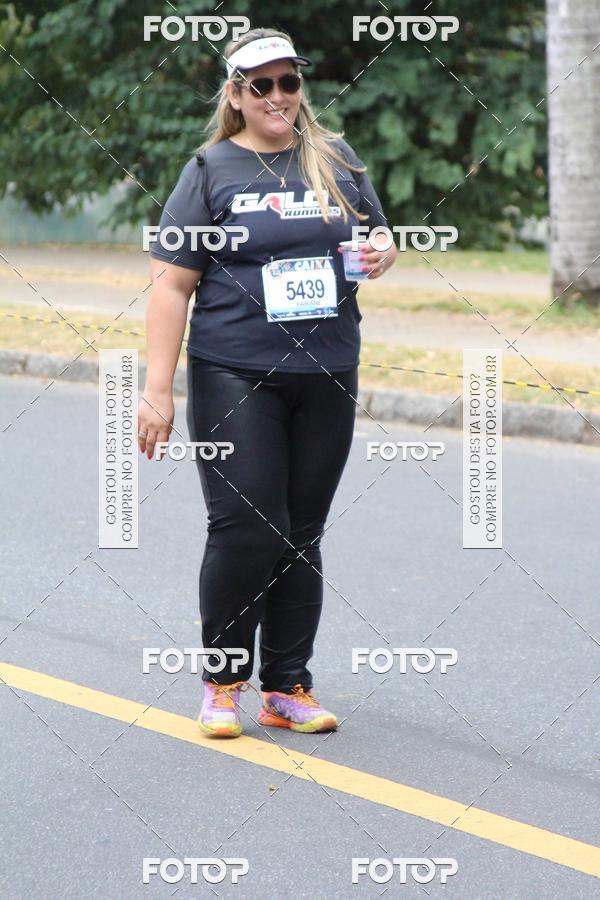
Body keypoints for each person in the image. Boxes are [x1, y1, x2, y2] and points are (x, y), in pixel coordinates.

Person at [137, 27, 396, 738]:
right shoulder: (211, 169)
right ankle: (223, 682)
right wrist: (156, 390)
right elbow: (169, 286)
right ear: (236, 95)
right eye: (261, 85)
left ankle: (287, 686)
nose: (278, 95)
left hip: (326, 371)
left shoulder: (337, 160)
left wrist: (383, 250)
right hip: (233, 373)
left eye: (288, 82)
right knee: (250, 526)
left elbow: (374, 238)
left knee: (301, 532)